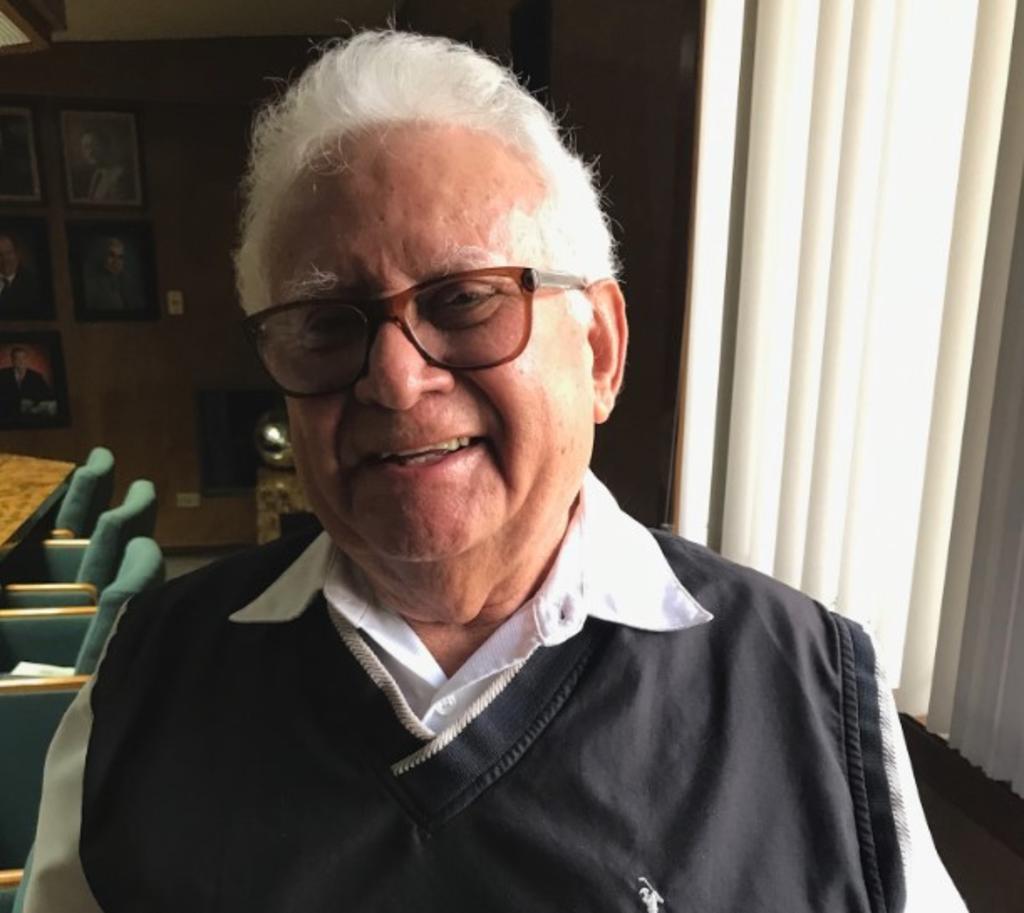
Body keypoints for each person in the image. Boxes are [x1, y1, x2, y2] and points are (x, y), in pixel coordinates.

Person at [21, 31, 967, 912]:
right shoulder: (144, 686)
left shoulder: (812, 695)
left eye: (465, 300)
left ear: (599, 349)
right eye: (326, 323)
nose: (395, 379)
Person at [84, 236, 143, 311]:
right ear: (103, 256)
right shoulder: (92, 284)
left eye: (120, 257)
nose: (116, 261)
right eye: (111, 255)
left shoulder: (129, 281)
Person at [0, 345, 53, 418]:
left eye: (23, 358)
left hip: (30, 415)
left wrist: (32, 405)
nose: (21, 361)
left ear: (27, 360)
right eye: (17, 358)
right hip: (6, 415)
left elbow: (47, 396)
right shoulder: (2, 375)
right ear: (12, 360)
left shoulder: (36, 377)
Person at [0, 232, 41, 314]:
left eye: (9, 253)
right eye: (0, 255)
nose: (5, 259)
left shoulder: (33, 283)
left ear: (17, 254)